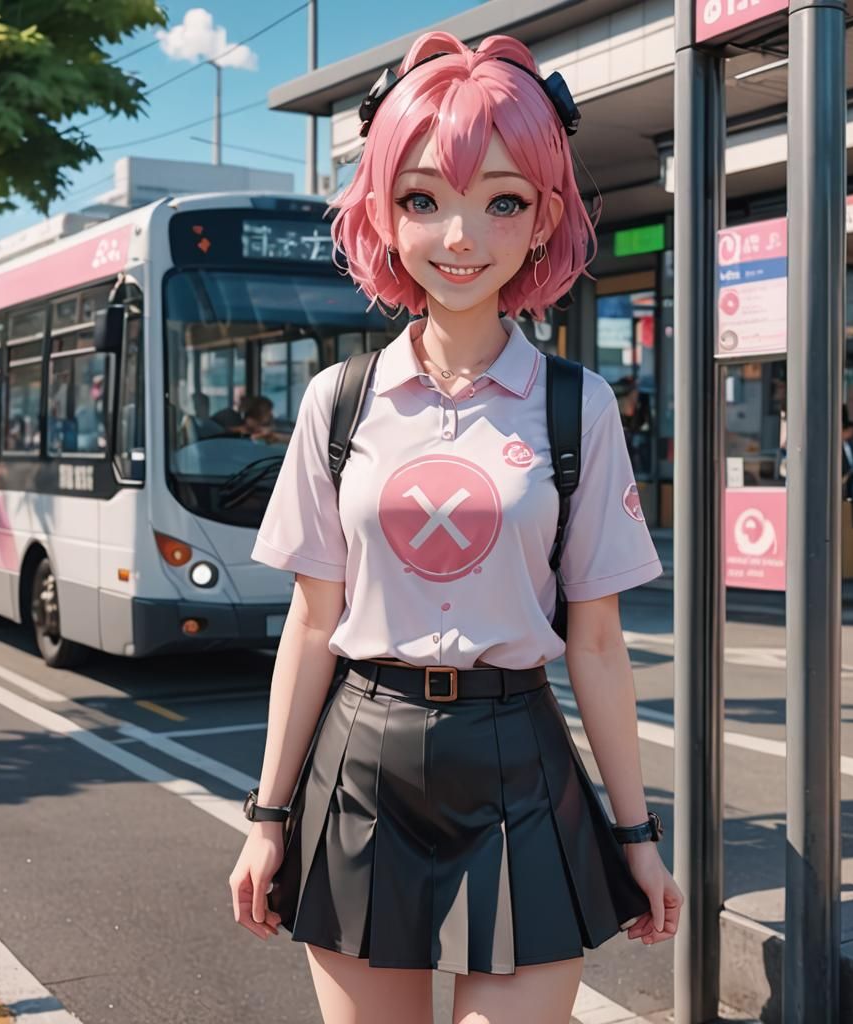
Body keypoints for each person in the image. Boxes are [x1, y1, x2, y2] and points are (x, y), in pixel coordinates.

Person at [228, 32, 683, 1024]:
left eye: (502, 200)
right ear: (383, 214)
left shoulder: (577, 406)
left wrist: (637, 832)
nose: (461, 235)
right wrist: (266, 819)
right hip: (361, 754)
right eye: (424, 198)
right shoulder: (337, 402)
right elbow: (311, 625)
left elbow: (597, 645)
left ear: (545, 217)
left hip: (520, 751)